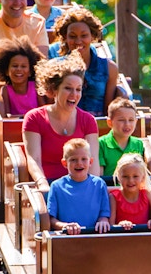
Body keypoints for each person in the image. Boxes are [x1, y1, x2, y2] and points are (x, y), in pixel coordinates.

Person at [22, 51, 100, 192]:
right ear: (54, 90)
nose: (74, 95)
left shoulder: (88, 121)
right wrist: (42, 184)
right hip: (48, 186)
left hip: (80, 187)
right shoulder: (34, 118)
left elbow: (93, 163)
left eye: (78, 89)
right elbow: (34, 159)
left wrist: (89, 189)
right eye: (68, 88)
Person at [50, 7, 119, 116]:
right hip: (67, 128)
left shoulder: (109, 68)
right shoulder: (55, 68)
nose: (78, 41)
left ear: (92, 36)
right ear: (65, 38)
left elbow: (108, 110)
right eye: (72, 36)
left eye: (84, 36)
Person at [47, 138, 110, 234]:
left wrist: (103, 221)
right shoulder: (56, 187)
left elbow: (104, 214)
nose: (79, 163)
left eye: (84, 159)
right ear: (64, 163)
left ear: (91, 162)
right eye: (73, 160)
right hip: (67, 238)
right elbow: (51, 220)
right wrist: (64, 226)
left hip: (94, 237)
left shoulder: (99, 184)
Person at [0, 36, 46, 116]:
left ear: (30, 71)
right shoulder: (5, 90)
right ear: (6, 71)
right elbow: (6, 115)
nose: (19, 69)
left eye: (23, 66)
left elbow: (43, 110)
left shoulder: (36, 87)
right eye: (15, 66)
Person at [109, 153, 151, 231]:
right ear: (119, 177)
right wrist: (120, 225)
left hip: (144, 238)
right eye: (125, 176)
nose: (130, 181)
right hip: (122, 239)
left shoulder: (147, 193)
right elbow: (111, 224)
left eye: (135, 176)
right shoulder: (114, 197)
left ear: (142, 177)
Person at [99, 97, 144, 177]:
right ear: (110, 122)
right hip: (110, 188)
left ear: (136, 121)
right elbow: (99, 177)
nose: (127, 124)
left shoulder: (138, 144)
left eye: (131, 120)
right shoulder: (101, 144)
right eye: (121, 120)